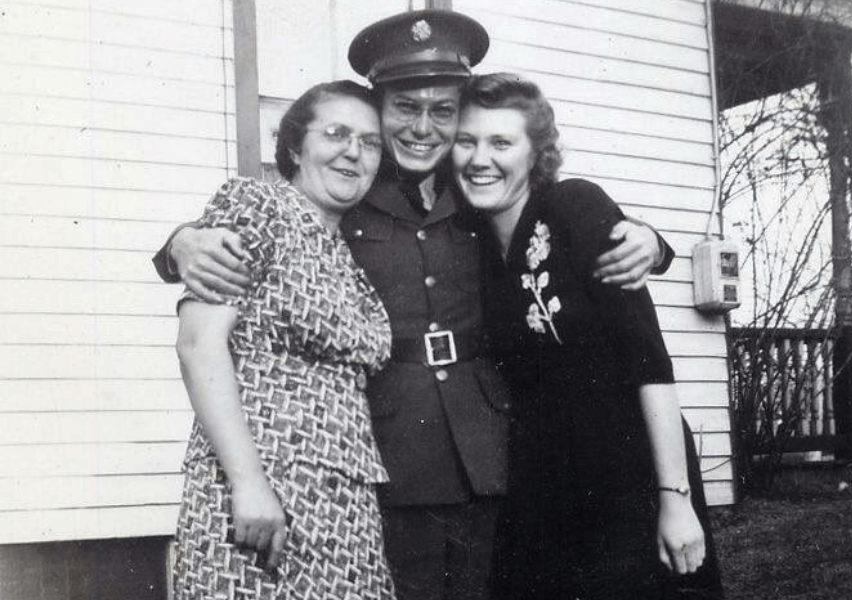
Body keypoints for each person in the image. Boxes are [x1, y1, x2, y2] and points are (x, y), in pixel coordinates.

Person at [155, 10, 673, 600]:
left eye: (443, 110)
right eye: (404, 108)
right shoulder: (349, 186)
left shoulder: (478, 187)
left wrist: (652, 240)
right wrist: (179, 244)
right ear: (379, 108)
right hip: (388, 458)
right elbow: (255, 229)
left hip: (489, 456)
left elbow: (557, 217)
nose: (423, 128)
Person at [452, 72, 724, 599]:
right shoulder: (472, 239)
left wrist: (675, 497)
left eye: (501, 142)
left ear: (538, 153)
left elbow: (649, 361)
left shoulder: (575, 207)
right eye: (467, 141)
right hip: (539, 485)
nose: (479, 158)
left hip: (627, 476)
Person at [172, 80, 396, 600]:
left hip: (345, 504)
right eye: (336, 133)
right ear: (295, 146)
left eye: (369, 142)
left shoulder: (345, 252)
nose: (353, 151)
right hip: (259, 494)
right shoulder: (257, 205)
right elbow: (198, 344)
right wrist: (247, 481)